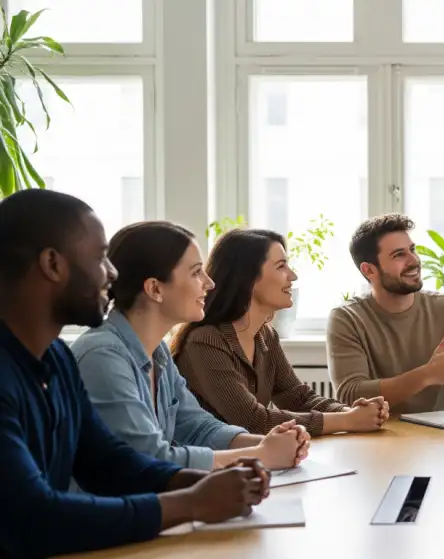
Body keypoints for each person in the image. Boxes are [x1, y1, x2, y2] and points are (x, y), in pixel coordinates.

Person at [0, 189, 271, 558]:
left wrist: (201, 481)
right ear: (52, 264)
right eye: (100, 259)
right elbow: (34, 518)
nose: (112, 275)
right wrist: (191, 503)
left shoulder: (57, 358)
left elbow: (106, 460)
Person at [70, 221, 310, 471]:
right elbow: (149, 459)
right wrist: (261, 455)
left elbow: (198, 428)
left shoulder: (157, 352)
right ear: (155, 289)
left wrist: (269, 443)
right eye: (196, 272)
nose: (209, 283)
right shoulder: (103, 356)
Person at [171, 228, 389, 436]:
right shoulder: (205, 341)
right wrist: (348, 421)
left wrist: (350, 412)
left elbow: (297, 397)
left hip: (252, 461)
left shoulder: (265, 335)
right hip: (213, 468)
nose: (292, 275)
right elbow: (254, 421)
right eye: (281, 266)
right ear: (248, 277)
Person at [327, 214, 444, 417]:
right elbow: (350, 395)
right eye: (399, 255)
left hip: (438, 439)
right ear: (369, 270)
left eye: (412, 250)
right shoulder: (347, 318)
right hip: (374, 440)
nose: (414, 260)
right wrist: (426, 375)